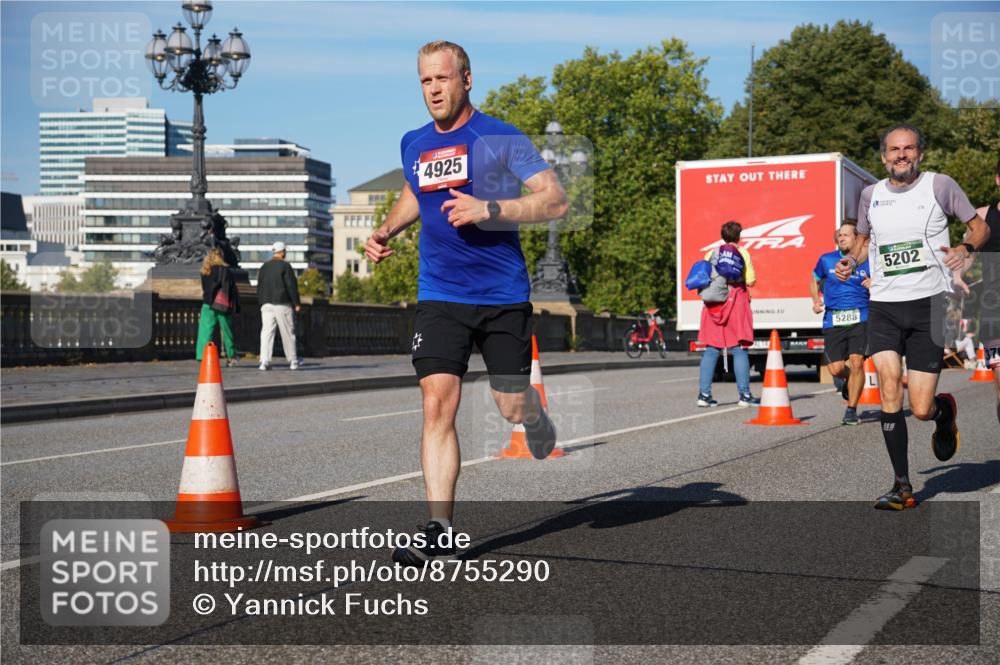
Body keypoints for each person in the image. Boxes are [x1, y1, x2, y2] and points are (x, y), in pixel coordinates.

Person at [365, 40, 567, 566]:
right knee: (437, 403)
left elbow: (554, 199)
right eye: (425, 81)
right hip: (440, 293)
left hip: (501, 296)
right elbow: (415, 191)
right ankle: (440, 528)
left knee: (509, 405)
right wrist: (387, 229)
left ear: (466, 79)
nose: (433, 89)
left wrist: (490, 208)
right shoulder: (413, 142)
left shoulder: (500, 137)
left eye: (442, 78)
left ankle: (532, 413)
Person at [835, 123, 990, 510]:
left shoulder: (940, 186)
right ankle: (901, 486)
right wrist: (850, 261)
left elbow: (979, 227)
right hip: (884, 305)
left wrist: (965, 248)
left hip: (929, 306)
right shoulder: (870, 195)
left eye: (908, 149)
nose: (901, 155)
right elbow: (864, 242)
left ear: (919, 153)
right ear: (883, 156)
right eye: (894, 149)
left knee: (921, 408)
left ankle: (944, 412)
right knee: (889, 386)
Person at [810, 223, 871, 425]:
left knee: (857, 362)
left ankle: (851, 410)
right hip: (833, 318)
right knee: (835, 370)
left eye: (846, 235)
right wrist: (816, 300)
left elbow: (884, 283)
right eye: (839, 235)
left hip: (861, 317)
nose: (841, 238)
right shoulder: (826, 259)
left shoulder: (867, 260)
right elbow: (813, 279)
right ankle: (851, 379)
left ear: (857, 238)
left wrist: (873, 284)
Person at [695, 221, 759, 408]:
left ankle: (704, 395)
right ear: (739, 236)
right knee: (739, 348)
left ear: (722, 236)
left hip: (714, 304)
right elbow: (751, 280)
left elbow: (704, 276)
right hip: (736, 302)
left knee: (711, 349)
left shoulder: (711, 253)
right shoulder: (743, 253)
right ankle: (744, 395)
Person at [257, 240, 301, 371]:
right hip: (282, 303)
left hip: (266, 303)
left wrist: (261, 301)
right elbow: (291, 286)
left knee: (266, 333)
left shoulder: (264, 267)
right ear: (282, 252)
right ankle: (293, 360)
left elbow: (259, 286)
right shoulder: (285, 266)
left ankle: (264, 361)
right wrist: (296, 303)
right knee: (288, 332)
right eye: (285, 251)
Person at [196, 248, 239, 366]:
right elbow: (231, 289)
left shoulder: (205, 271)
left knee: (205, 331)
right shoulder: (225, 270)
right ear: (221, 257)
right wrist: (236, 306)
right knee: (226, 331)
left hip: (207, 303)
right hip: (222, 304)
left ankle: (202, 356)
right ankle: (231, 356)